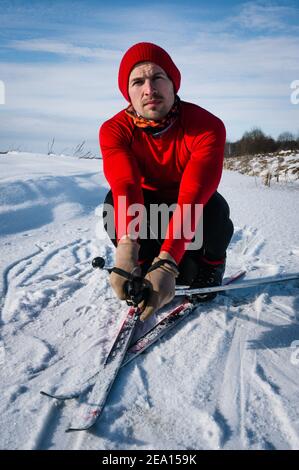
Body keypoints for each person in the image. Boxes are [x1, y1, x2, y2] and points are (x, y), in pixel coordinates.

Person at [99, 42, 234, 321]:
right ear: (129, 93)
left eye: (157, 77)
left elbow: (193, 196)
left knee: (215, 208)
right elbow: (126, 185)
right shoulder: (114, 130)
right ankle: (141, 264)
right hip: (144, 209)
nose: (149, 89)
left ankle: (212, 265)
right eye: (138, 81)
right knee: (113, 202)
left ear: (173, 85)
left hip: (187, 209)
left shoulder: (207, 126)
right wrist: (127, 248)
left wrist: (168, 262)